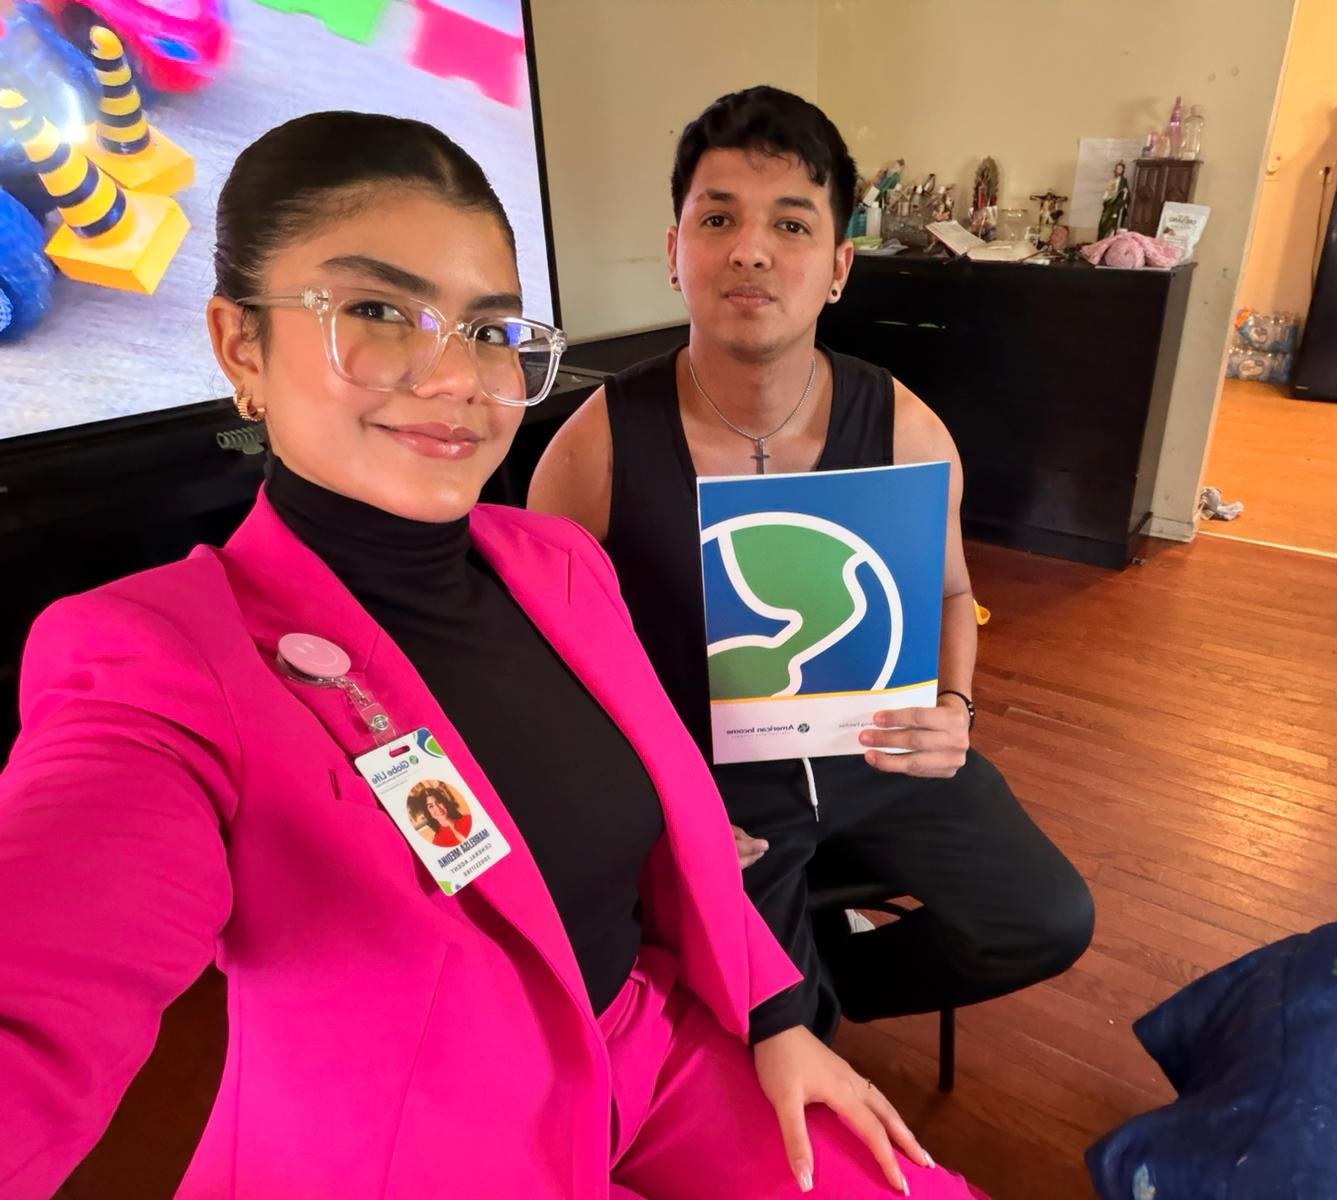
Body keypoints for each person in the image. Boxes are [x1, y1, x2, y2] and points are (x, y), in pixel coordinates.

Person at [0, 111, 985, 1199]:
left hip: (657, 1054)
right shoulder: (160, 659)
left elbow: (685, 812)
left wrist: (775, 1011)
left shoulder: (556, 563)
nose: (454, 376)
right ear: (241, 343)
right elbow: (37, 994)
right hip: (427, 1155)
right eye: (375, 311)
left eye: (487, 328)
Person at [527, 86, 1094, 1046]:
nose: (751, 249)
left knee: (1044, 920)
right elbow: (546, 671)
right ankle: (787, 1003)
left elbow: (955, 595)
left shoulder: (906, 428)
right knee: (779, 1043)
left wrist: (954, 711)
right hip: (715, 794)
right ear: (675, 253)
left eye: (790, 224)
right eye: (718, 219)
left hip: (880, 754)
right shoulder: (596, 448)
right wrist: (657, 805)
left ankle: (827, 984)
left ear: (837, 268)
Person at [406, 782, 472, 846]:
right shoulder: (438, 842)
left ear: (444, 802)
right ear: (428, 812)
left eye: (438, 802)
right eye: (431, 806)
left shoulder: (469, 819)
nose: (437, 808)